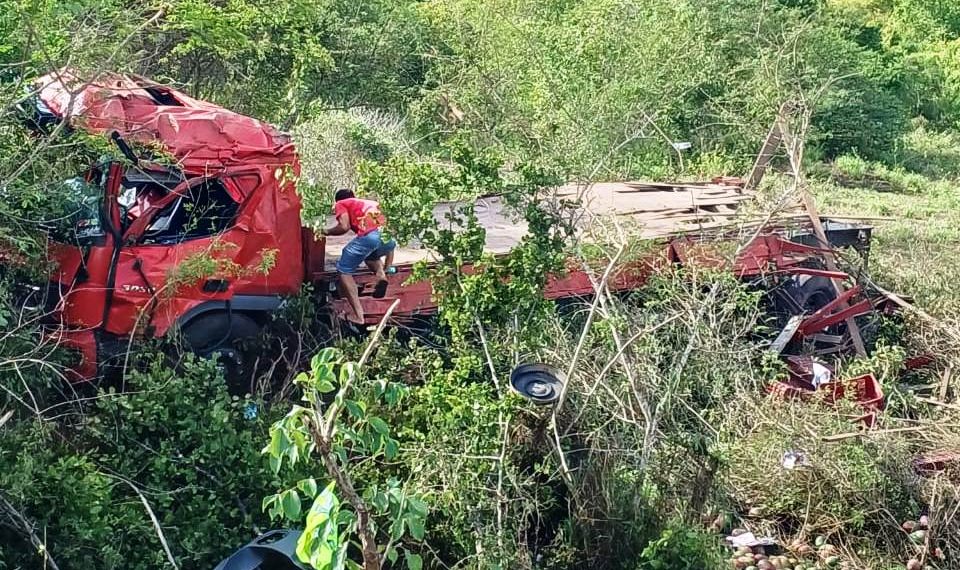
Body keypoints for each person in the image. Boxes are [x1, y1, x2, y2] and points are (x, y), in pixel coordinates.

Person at [320, 189, 397, 324]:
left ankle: (359, 316)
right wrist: (388, 266)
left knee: (344, 271)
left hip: (371, 237)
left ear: (337, 200)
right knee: (369, 256)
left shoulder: (341, 203)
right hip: (388, 238)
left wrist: (326, 231)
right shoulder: (369, 203)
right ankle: (381, 275)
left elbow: (344, 227)